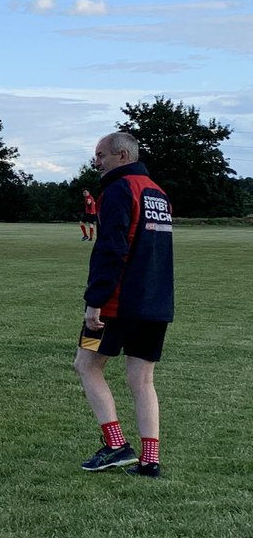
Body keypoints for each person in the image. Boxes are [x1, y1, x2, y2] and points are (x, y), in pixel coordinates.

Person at [74, 131, 173, 478]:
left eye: (101, 155)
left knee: (86, 364)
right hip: (155, 304)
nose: (96, 161)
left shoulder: (118, 190)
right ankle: (150, 461)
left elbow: (111, 249)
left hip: (116, 304)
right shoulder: (157, 192)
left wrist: (94, 301)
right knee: (142, 381)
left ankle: (116, 445)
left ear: (122, 156)